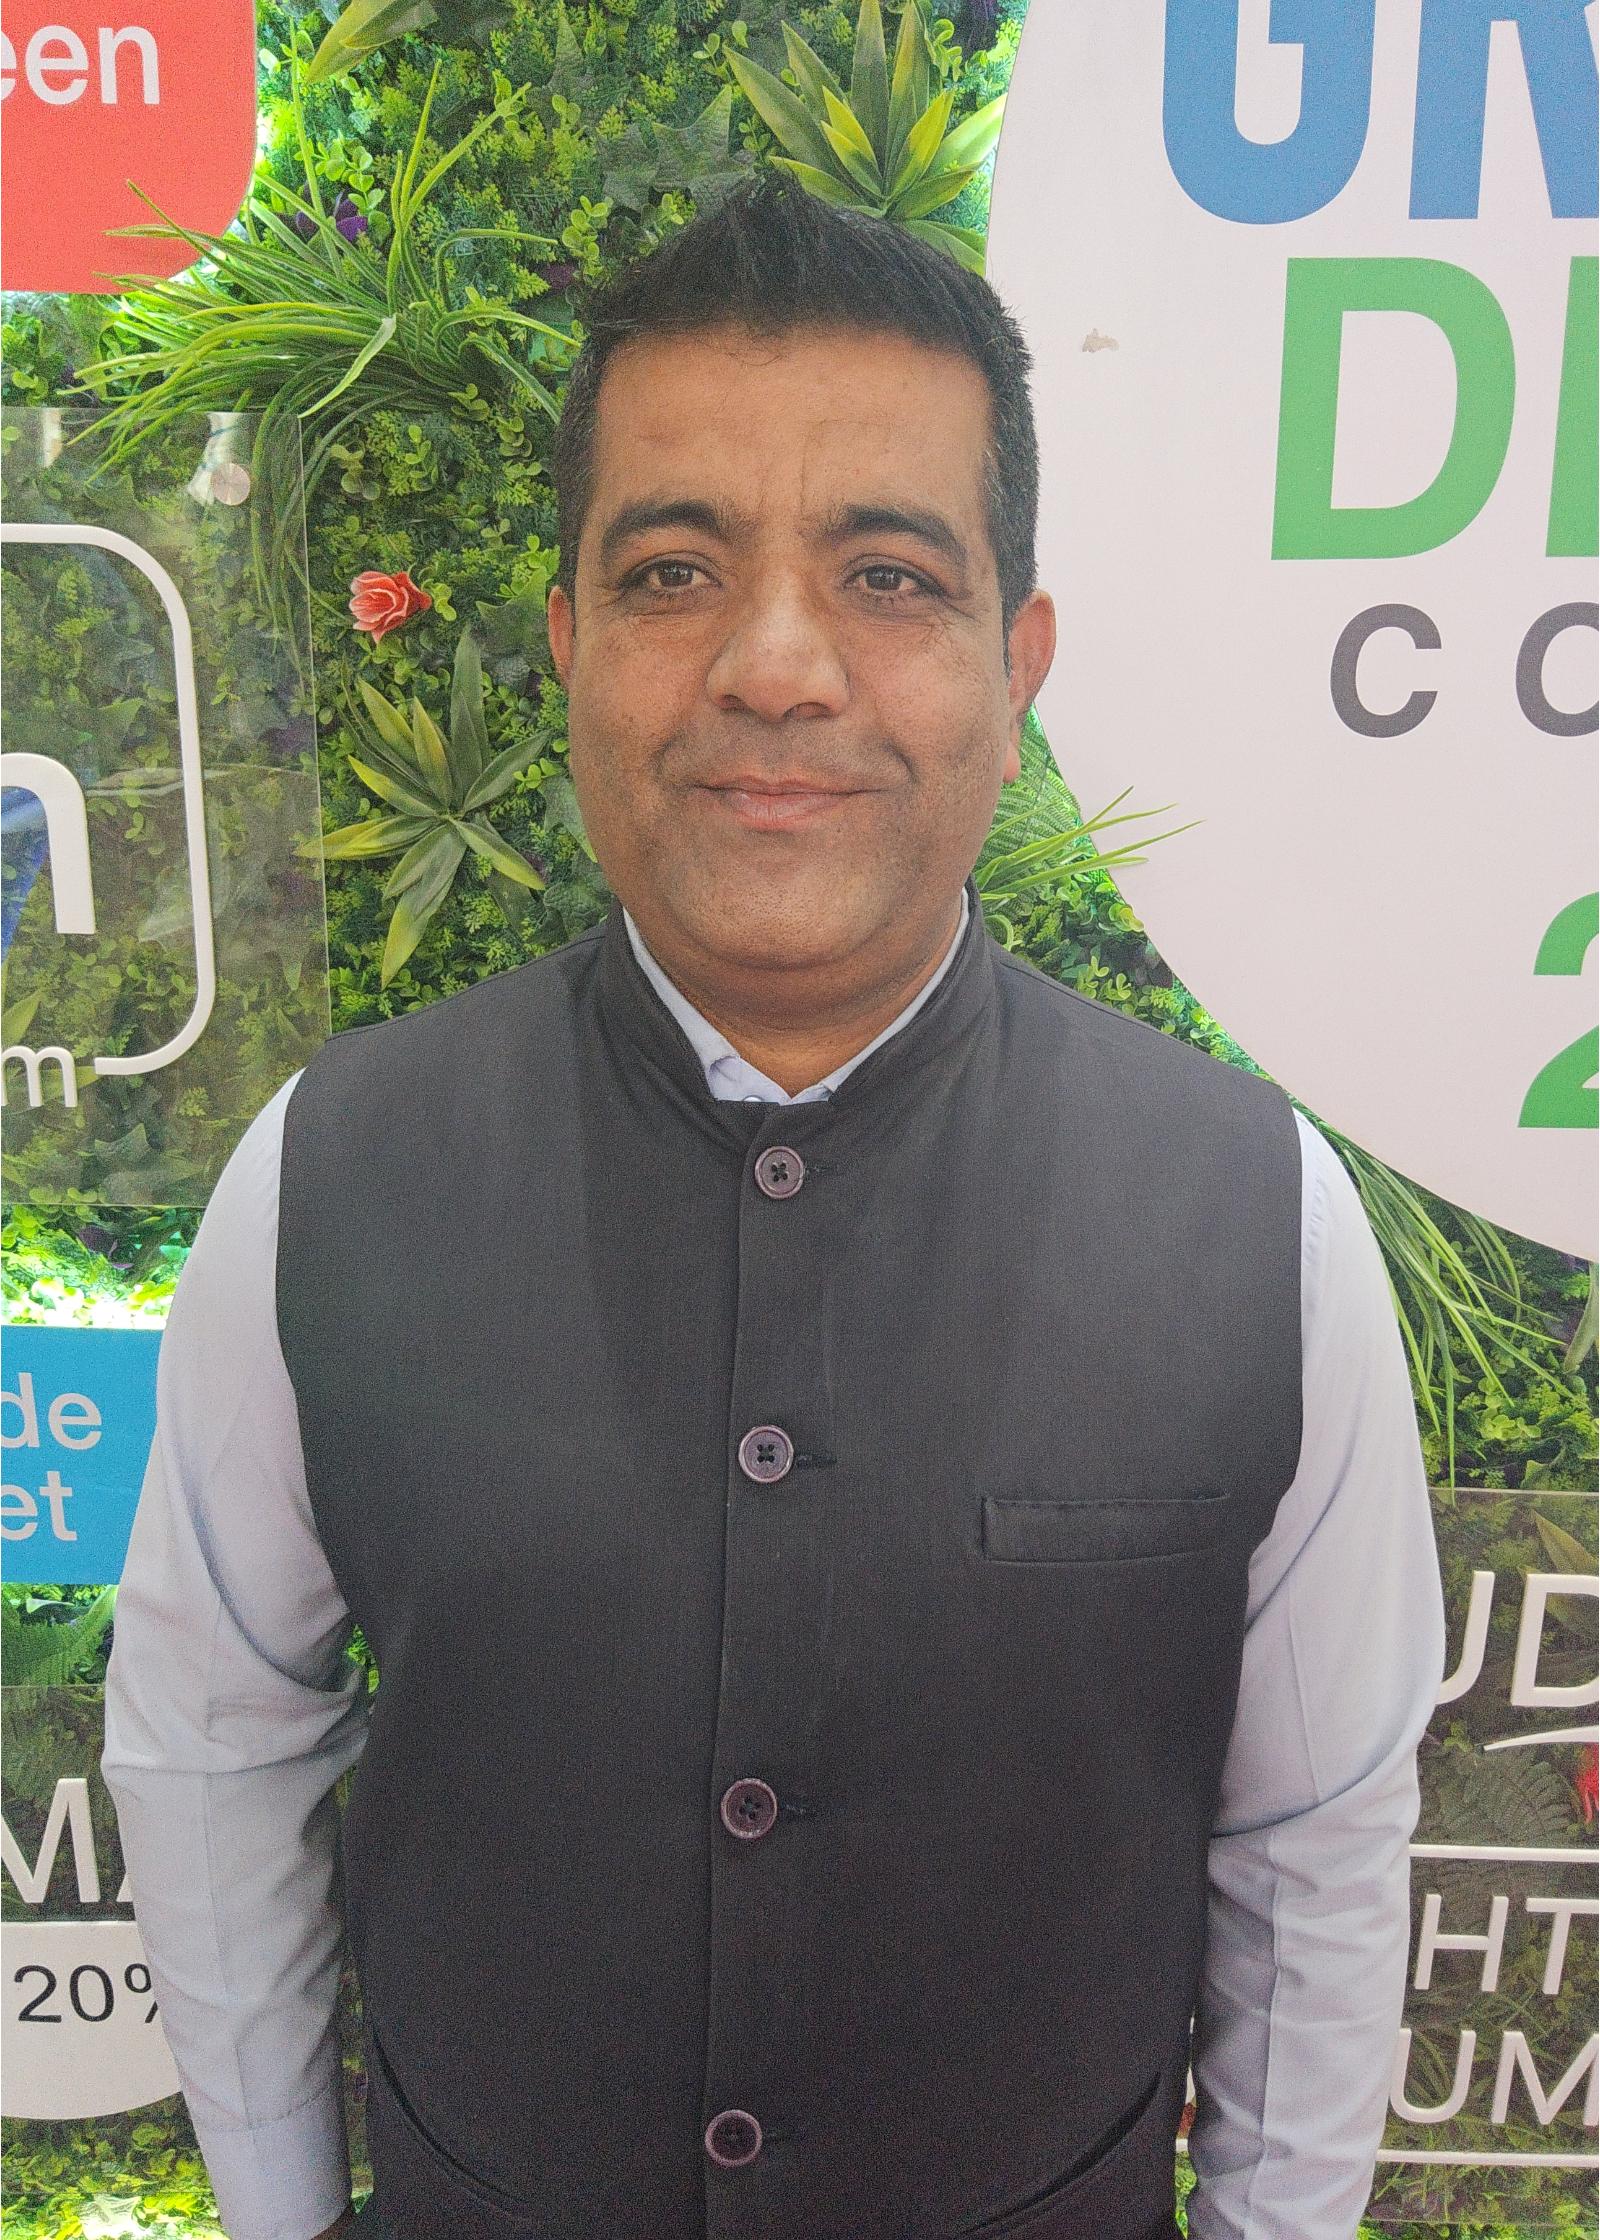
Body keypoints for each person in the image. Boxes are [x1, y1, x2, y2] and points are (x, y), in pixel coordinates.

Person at [102, 177, 1446, 2240]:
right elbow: (213, 1748)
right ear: (570, 643)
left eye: (888, 576)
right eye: (673, 571)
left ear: (1016, 661)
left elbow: (1317, 1851)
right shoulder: (324, 1176)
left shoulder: (1260, 1222)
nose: (779, 665)